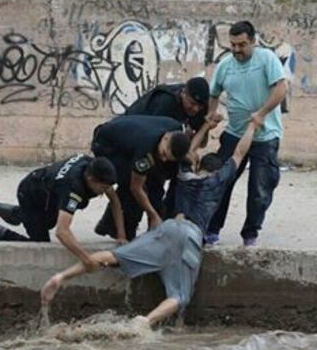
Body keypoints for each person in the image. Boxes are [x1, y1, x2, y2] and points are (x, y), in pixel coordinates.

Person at [42, 118, 258, 327]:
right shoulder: (219, 180)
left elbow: (187, 148)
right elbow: (239, 152)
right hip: (191, 235)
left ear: (197, 165)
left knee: (115, 256)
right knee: (180, 296)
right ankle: (145, 320)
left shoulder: (184, 174)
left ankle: (61, 276)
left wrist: (205, 128)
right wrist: (253, 126)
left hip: (168, 227)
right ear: (218, 171)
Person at [205, 20, 287, 247]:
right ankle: (211, 230)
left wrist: (262, 113)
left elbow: (281, 88)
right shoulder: (225, 65)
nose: (237, 50)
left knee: (260, 189)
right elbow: (214, 93)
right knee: (220, 182)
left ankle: (250, 234)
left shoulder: (266, 60)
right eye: (233, 45)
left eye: (242, 45)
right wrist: (211, 115)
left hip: (265, 137)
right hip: (234, 135)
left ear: (253, 41)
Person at [0, 154, 125, 272]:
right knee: (40, 245)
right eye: (103, 189)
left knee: (48, 222)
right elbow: (62, 232)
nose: (104, 193)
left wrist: (121, 234)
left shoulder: (93, 167)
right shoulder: (73, 188)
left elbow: (115, 200)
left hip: (48, 193)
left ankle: (17, 214)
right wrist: (87, 259)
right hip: (30, 193)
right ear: (90, 179)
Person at [90, 114, 191, 241]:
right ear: (165, 138)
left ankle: (151, 228)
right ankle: (122, 231)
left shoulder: (176, 129)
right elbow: (136, 188)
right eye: (164, 153)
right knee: (132, 185)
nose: (164, 159)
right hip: (107, 144)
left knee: (155, 179)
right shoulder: (145, 150)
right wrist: (153, 215)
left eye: (168, 158)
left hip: (126, 133)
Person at [124, 76, 211, 219]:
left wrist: (205, 127)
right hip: (134, 137)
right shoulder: (165, 102)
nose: (195, 109)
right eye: (192, 103)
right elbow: (153, 139)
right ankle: (127, 226)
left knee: (181, 172)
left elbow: (202, 142)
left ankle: (167, 218)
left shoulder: (200, 106)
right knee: (143, 181)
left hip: (164, 144)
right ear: (184, 93)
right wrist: (185, 150)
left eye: (199, 106)